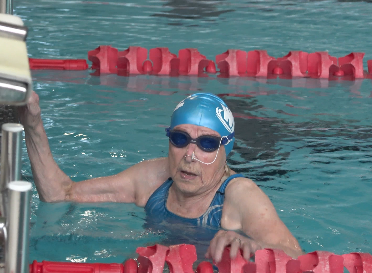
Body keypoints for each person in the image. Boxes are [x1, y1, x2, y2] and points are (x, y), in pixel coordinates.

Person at [18, 91, 304, 263]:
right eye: (180, 139)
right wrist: (32, 123)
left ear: (225, 150)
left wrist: (254, 246)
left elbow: (297, 256)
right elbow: (61, 194)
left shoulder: (239, 196)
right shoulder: (153, 178)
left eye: (206, 144)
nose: (190, 155)